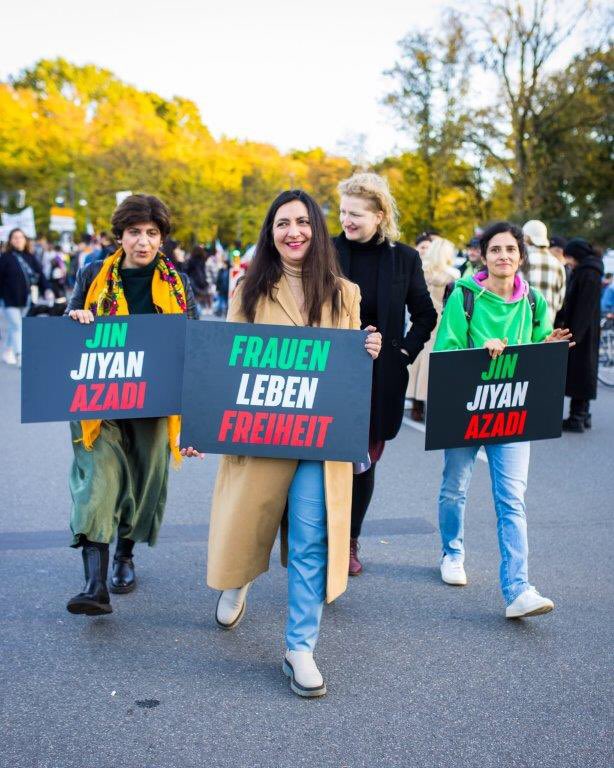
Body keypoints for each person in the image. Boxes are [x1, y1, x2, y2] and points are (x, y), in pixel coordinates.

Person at [185, 189, 381, 698]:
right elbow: (229, 363)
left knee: (313, 537)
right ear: (270, 234)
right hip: (263, 431)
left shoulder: (345, 293)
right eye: (282, 224)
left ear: (316, 229)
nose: (293, 231)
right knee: (252, 523)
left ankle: (300, 647)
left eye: (302, 222)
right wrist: (203, 426)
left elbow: (344, 369)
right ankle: (239, 578)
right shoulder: (248, 290)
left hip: (317, 439)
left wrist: (369, 348)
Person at [64, 194, 197, 616]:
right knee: (97, 482)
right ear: (119, 236)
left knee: (142, 482)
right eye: (135, 232)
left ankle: (125, 556)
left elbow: (191, 344)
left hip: (153, 403)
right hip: (99, 404)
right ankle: (94, 584)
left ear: (162, 238)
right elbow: (69, 324)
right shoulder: (93, 274)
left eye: (152, 233)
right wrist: (78, 318)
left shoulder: (177, 283)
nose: (143, 241)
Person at [434, 221, 573, 618]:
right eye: (496, 249)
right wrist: (482, 349)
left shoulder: (534, 303)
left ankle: (517, 589)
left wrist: (550, 347)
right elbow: (446, 349)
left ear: (521, 257)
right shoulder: (464, 296)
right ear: (483, 255)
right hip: (467, 408)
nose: (503, 256)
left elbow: (538, 347)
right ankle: (452, 552)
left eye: (511, 250)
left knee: (512, 500)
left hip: (512, 410)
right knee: (454, 488)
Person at [333, 173, 437, 576]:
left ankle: (349, 541)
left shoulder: (404, 258)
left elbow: (425, 315)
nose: (347, 220)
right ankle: (319, 537)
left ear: (379, 214)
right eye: (343, 212)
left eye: (356, 213)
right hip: (330, 374)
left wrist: (402, 354)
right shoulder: (324, 251)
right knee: (324, 458)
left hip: (381, 378)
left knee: (364, 462)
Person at [407, 238, 460, 422]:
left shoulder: (422, 271)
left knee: (418, 358)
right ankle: (434, 402)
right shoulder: (453, 276)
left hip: (421, 318)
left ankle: (416, 404)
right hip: (443, 319)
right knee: (435, 358)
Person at [560, 238, 604, 432]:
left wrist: (574, 335)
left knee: (582, 373)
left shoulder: (588, 273)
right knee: (582, 372)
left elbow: (584, 307)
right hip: (584, 330)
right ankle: (582, 414)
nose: (568, 261)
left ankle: (577, 417)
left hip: (581, 332)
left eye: (569, 256)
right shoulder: (589, 270)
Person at [0, 228, 53, 366]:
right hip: (9, 300)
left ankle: (7, 351)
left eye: (20, 237)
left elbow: (40, 275)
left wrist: (47, 289)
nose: (18, 240)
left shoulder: (30, 257)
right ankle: (20, 357)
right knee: (17, 326)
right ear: (10, 240)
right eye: (15, 237)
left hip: (26, 299)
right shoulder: (5, 257)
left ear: (25, 240)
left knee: (14, 327)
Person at [522, 220, 566, 325]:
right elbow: (559, 304)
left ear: (526, 238)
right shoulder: (558, 265)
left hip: (522, 330)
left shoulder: (520, 262)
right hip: (547, 330)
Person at [185, 245, 210, 315]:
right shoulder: (203, 260)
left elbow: (187, 271)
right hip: (201, 283)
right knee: (198, 300)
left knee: (193, 300)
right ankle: (198, 313)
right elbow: (204, 272)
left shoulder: (191, 260)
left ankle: (195, 314)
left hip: (192, 283)